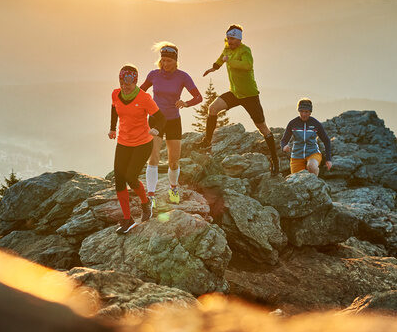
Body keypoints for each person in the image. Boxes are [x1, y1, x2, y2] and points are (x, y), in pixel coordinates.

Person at [201, 24, 280, 174]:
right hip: (235, 93)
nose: (229, 41)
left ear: (238, 39)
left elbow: (247, 66)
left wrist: (229, 61)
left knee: (262, 128)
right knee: (212, 108)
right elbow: (221, 58)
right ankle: (207, 142)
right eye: (227, 38)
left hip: (250, 95)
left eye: (232, 39)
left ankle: (275, 160)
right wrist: (214, 67)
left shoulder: (245, 50)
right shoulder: (227, 49)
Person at [140, 42, 202, 207]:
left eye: (169, 61)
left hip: (174, 120)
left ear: (176, 61)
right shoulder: (154, 74)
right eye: (163, 60)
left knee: (174, 161)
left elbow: (198, 97)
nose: (166, 64)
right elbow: (140, 92)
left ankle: (173, 188)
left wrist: (185, 103)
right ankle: (151, 196)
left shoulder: (183, 76)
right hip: (155, 119)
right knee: (153, 158)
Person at [109, 64, 166, 234]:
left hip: (142, 143)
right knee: (119, 179)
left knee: (130, 177)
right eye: (122, 83)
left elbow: (161, 118)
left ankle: (145, 203)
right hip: (123, 142)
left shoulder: (144, 98)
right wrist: (113, 128)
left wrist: (157, 129)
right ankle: (127, 219)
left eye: (128, 84)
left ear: (135, 82)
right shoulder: (115, 94)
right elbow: (114, 108)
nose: (124, 87)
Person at [279, 98, 332, 175]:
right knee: (296, 183)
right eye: (301, 111)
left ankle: (316, 183)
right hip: (296, 156)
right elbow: (284, 140)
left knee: (312, 166)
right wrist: (284, 147)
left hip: (313, 153)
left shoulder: (316, 124)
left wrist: (328, 159)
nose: (303, 114)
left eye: (306, 112)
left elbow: (326, 141)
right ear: (299, 111)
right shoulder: (292, 123)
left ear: (310, 112)